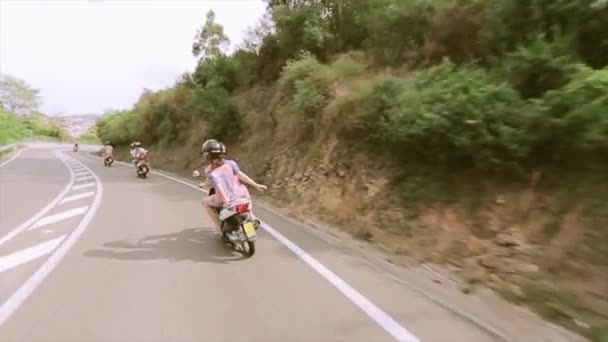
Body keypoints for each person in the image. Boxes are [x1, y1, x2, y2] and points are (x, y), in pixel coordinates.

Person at [199, 139, 267, 233]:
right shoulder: (231, 164)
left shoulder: (210, 170)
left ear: (208, 156)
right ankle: (252, 217)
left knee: (205, 202)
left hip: (224, 199)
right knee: (243, 190)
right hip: (240, 195)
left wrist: (203, 185)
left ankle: (219, 228)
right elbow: (241, 175)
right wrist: (255, 185)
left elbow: (209, 183)